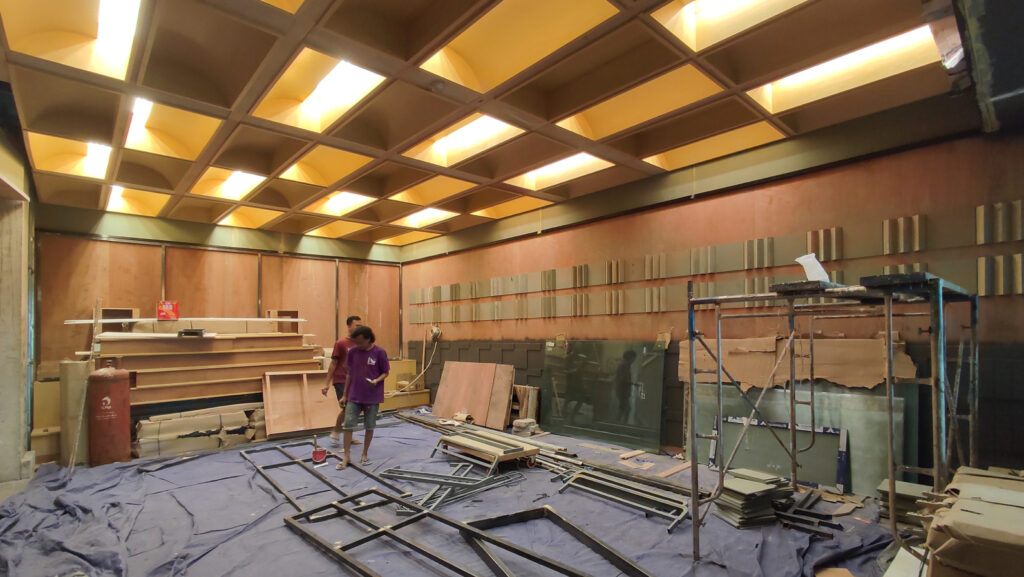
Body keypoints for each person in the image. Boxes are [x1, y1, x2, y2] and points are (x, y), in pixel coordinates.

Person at [337, 326, 389, 469]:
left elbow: (385, 372)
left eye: (360, 342)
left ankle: (364, 454)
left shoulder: (379, 352)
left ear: (368, 339)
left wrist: (376, 381)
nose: (357, 345)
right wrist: (344, 395)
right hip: (354, 395)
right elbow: (349, 374)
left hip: (372, 396)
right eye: (355, 342)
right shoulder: (353, 352)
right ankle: (346, 456)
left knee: (369, 426)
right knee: (348, 425)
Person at [322, 316, 363, 448]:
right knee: (347, 408)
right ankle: (335, 430)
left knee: (355, 409)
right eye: (356, 325)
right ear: (349, 326)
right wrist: (326, 383)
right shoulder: (340, 343)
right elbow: (333, 363)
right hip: (340, 380)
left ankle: (348, 436)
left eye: (360, 326)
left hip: (354, 381)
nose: (359, 328)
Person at [615, 350, 638, 423]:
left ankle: (618, 425)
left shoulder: (625, 364)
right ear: (630, 357)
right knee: (626, 409)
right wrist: (632, 383)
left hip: (622, 390)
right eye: (633, 358)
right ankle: (621, 425)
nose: (634, 360)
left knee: (623, 408)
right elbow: (623, 379)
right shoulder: (624, 365)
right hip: (623, 391)